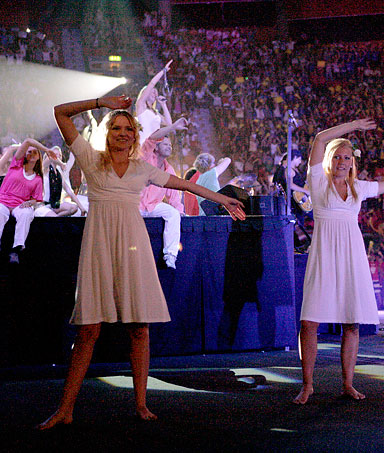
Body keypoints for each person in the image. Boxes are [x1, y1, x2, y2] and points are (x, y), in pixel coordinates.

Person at [38, 95, 245, 430]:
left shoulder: (142, 168)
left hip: (132, 246)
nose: (122, 133)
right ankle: (65, 409)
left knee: (139, 328)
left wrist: (223, 198)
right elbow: (59, 111)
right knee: (88, 329)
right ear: (108, 133)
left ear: (135, 135)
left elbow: (183, 184)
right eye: (116, 127)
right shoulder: (91, 159)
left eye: (128, 129)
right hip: (99, 246)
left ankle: (141, 405)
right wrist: (101, 102)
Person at [293, 119, 384, 405]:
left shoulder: (359, 187)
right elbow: (319, 138)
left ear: (353, 162)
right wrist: (352, 126)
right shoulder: (317, 181)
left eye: (347, 157)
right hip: (324, 254)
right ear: (330, 160)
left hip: (352, 255)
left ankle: (348, 384)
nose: (342, 162)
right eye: (338, 157)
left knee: (352, 323)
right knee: (309, 322)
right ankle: (307, 385)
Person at [139, 119, 188, 269]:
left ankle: (170, 255)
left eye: (171, 145)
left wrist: (180, 212)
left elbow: (174, 197)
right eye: (166, 144)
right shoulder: (145, 157)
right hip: (135, 204)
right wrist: (172, 127)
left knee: (173, 214)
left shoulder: (169, 170)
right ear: (156, 148)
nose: (169, 147)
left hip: (153, 207)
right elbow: (151, 139)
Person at [0, 138, 53, 263]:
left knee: (27, 212)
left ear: (39, 157)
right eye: (29, 152)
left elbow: (37, 199)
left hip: (19, 205)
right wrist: (46, 149)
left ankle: (16, 250)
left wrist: (30, 203)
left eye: (35, 152)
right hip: (3, 201)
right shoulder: (16, 165)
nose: (31, 154)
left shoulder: (38, 179)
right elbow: (28, 141)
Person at [34, 146, 87, 217]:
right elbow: (50, 159)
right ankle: (55, 217)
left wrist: (82, 208)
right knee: (55, 218)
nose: (58, 156)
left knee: (74, 208)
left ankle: (57, 217)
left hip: (54, 206)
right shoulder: (44, 169)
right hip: (42, 206)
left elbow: (70, 192)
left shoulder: (59, 174)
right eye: (55, 154)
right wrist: (61, 163)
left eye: (60, 155)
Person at [134, 60, 173, 145]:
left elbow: (169, 124)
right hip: (143, 144)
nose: (154, 93)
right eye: (152, 91)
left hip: (154, 146)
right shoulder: (141, 105)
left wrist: (163, 105)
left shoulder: (155, 113)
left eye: (156, 92)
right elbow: (152, 83)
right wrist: (163, 71)